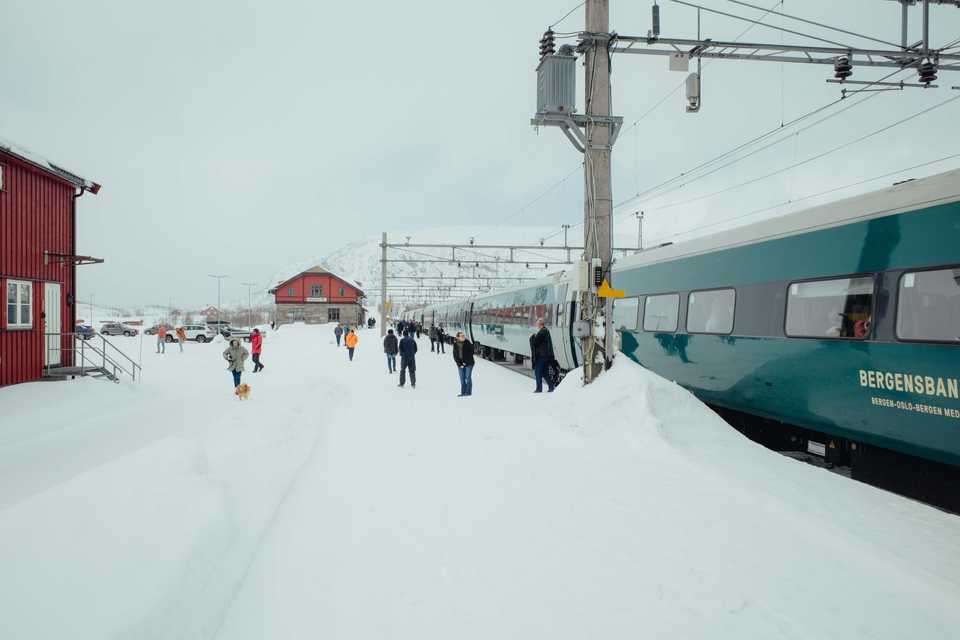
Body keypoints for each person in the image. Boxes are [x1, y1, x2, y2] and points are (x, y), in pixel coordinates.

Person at [530, 318, 556, 393]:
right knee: (545, 373)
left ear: (540, 324)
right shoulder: (546, 331)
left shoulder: (542, 332)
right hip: (547, 356)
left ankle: (539, 389)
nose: (536, 325)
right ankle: (551, 387)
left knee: (537, 372)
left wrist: (532, 337)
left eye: (537, 324)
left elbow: (535, 343)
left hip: (542, 356)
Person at [453, 331, 475, 397]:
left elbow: (471, 353)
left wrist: (465, 362)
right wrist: (459, 364)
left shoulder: (468, 343)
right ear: (458, 337)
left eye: (463, 336)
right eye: (461, 336)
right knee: (462, 378)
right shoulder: (455, 344)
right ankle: (463, 392)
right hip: (460, 364)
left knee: (467, 377)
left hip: (469, 363)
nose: (463, 337)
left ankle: (468, 392)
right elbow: (455, 356)